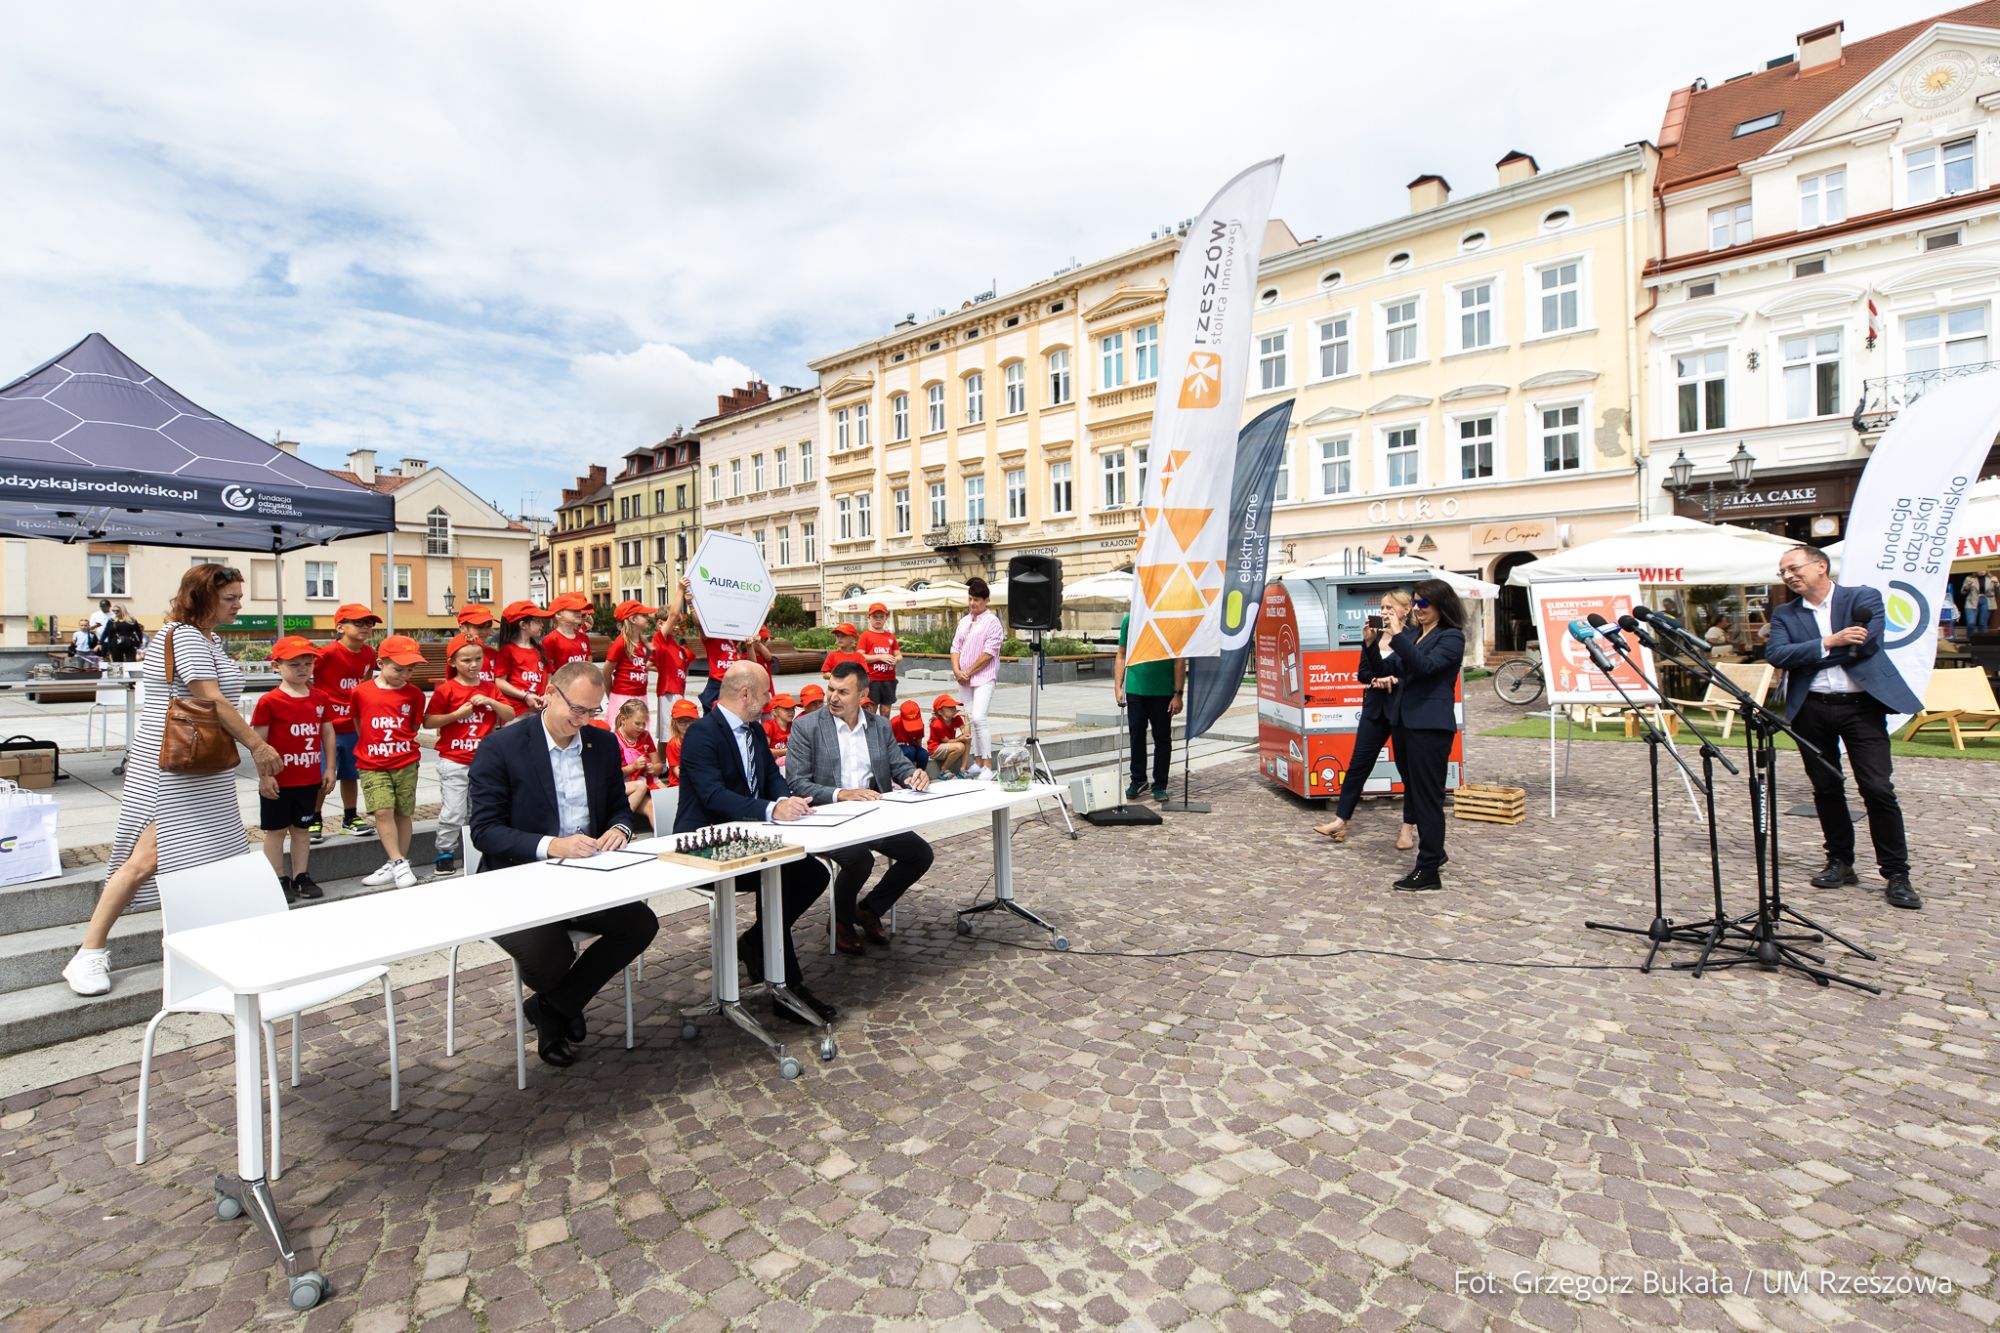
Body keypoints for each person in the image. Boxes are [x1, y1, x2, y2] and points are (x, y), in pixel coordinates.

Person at [62, 565, 282, 997]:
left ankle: (204, 942)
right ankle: (89, 951)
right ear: (202, 597)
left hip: (201, 765)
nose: (239, 603)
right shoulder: (182, 635)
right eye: (231, 597)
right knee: (147, 857)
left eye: (239, 596)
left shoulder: (209, 639)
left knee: (210, 853)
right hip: (171, 768)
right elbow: (211, 699)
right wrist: (257, 746)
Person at [468, 660, 656, 1067]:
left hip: (585, 876)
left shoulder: (600, 744)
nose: (582, 719)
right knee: (549, 956)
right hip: (517, 880)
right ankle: (560, 1010)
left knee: (641, 923)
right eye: (576, 709)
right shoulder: (502, 747)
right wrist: (553, 846)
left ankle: (552, 1008)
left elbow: (619, 810)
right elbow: (484, 832)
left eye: (592, 711)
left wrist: (621, 830)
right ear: (550, 694)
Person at [673, 661, 834, 1023]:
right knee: (780, 877)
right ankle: (787, 987)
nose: (768, 700)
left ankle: (757, 942)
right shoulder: (702, 733)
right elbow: (713, 796)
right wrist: (770, 809)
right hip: (705, 846)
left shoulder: (755, 731)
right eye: (764, 694)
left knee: (812, 873)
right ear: (745, 694)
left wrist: (785, 801)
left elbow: (771, 779)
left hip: (753, 839)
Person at [1768, 547, 1923, 910]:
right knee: (1826, 787)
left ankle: (1897, 873)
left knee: (1877, 787)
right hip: (1811, 709)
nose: (1788, 576)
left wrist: (1807, 654)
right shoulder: (1785, 613)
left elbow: (1867, 645)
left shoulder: (1861, 597)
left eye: (1793, 568)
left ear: (1820, 566)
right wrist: (1830, 642)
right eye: (1782, 572)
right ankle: (1841, 861)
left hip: (1861, 708)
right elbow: (1776, 655)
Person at [785, 661, 934, 954]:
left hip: (872, 815)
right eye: (831, 689)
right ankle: (841, 921)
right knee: (859, 859)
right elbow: (797, 783)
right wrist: (842, 794)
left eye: (843, 691)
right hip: (828, 817)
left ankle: (867, 909)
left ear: (863, 694)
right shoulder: (806, 726)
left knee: (919, 854)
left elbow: (898, 764)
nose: (833, 697)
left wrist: (913, 775)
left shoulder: (878, 725)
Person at [1314, 589, 1418, 850]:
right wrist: (1370, 650)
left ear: (1406, 610)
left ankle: (1407, 828)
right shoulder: (1374, 635)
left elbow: (1418, 671)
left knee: (1408, 769)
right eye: (1382, 608)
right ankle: (1341, 820)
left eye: (1390, 608)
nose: (1384, 612)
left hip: (1402, 708)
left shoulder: (1414, 637)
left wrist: (1396, 680)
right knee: (1359, 764)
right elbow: (1363, 673)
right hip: (1375, 708)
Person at [1384, 579, 1466, 893]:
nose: (1417, 609)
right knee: (1416, 794)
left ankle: (1429, 868)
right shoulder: (1416, 636)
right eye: (1415, 602)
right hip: (1405, 723)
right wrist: (1370, 642)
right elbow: (1384, 667)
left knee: (1428, 798)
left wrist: (1398, 636)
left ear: (1441, 605)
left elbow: (1426, 668)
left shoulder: (1451, 637)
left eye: (1423, 603)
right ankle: (1436, 851)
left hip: (1429, 727)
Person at [251, 637, 336, 902]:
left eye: (308, 663)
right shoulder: (269, 701)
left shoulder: (320, 698)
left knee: (302, 830)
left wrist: (330, 767)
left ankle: (301, 875)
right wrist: (265, 776)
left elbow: (328, 734)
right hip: (279, 780)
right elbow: (259, 741)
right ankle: (277, 877)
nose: (303, 668)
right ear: (277, 666)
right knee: (276, 831)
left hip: (308, 778)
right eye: (295, 664)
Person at [425, 637, 517, 877]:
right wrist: (456, 714)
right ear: (453, 662)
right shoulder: (446, 689)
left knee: (482, 809)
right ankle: (445, 852)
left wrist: (490, 701)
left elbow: (508, 713)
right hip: (454, 760)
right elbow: (429, 720)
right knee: (454, 811)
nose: (474, 664)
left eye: (478, 659)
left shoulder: (489, 687)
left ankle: (480, 850)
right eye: (466, 660)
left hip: (483, 762)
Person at [353, 635, 428, 889]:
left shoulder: (415, 695)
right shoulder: (361, 692)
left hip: (405, 760)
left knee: (402, 812)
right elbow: (359, 723)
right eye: (398, 669)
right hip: (372, 761)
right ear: (380, 663)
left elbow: (414, 726)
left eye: (410, 669)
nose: (405, 674)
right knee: (382, 810)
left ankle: (396, 862)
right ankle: (398, 863)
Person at [313, 603, 382, 840]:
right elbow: (304, 675)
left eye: (369, 623)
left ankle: (350, 816)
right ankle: (314, 818)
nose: (366, 627)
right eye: (359, 622)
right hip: (328, 726)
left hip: (352, 724)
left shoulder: (368, 653)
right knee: (323, 776)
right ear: (340, 627)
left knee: (351, 774)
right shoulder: (327, 653)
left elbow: (363, 682)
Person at [1114, 609, 1187, 802]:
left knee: (1162, 738)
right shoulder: (1130, 620)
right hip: (1136, 688)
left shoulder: (1172, 619)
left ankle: (1160, 784)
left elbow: (1179, 660)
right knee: (1136, 734)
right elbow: (1121, 654)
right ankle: (1138, 779)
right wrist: (1118, 686)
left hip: (1163, 691)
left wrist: (1178, 694)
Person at [950, 576, 1004, 779]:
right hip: (964, 679)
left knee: (980, 717)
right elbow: (955, 647)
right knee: (971, 720)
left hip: (984, 677)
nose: (973, 603)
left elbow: (989, 653)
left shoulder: (993, 622)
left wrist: (968, 672)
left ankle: (988, 765)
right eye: (971, 599)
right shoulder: (964, 621)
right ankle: (978, 761)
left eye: (977, 600)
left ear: (986, 600)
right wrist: (957, 670)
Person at [604, 600, 657, 724]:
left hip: (640, 695)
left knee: (639, 734)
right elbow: (606, 671)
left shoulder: (642, 642)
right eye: (643, 615)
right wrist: (612, 696)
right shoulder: (621, 642)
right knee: (623, 736)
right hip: (623, 696)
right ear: (633, 619)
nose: (647, 618)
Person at [650, 584, 693, 735]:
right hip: (668, 692)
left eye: (677, 624)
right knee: (670, 734)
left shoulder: (674, 644)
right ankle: (662, 760)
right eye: (674, 623)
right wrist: (680, 589)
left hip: (677, 691)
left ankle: (663, 759)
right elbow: (673, 614)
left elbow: (650, 664)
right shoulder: (661, 638)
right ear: (661, 624)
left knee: (670, 734)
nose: (676, 626)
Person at [610, 698, 663, 821]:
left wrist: (652, 769)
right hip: (623, 788)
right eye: (637, 723)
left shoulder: (645, 736)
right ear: (623, 720)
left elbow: (659, 766)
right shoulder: (613, 740)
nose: (641, 728)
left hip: (646, 782)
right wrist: (633, 767)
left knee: (663, 801)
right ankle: (621, 822)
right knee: (641, 786)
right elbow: (612, 776)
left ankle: (670, 837)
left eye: (644, 724)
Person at [497, 601, 551, 716]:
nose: (542, 625)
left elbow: (549, 675)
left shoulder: (540, 649)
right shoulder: (508, 650)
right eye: (537, 621)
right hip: (516, 712)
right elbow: (499, 681)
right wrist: (525, 696)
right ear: (523, 625)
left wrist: (547, 695)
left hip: (539, 710)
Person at [444, 603, 504, 691]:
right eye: (479, 627)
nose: (484, 631)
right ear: (463, 628)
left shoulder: (494, 654)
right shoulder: (458, 653)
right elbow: (450, 682)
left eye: (488, 626)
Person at [858, 603, 903, 710]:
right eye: (875, 617)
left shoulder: (890, 636)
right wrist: (880, 657)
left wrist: (895, 659)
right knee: (871, 709)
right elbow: (859, 657)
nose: (878, 620)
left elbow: (899, 655)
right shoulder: (865, 636)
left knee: (886, 710)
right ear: (869, 617)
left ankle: (884, 727)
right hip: (872, 679)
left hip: (889, 679)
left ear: (886, 618)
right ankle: (871, 727)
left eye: (881, 617)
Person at [541, 593, 596, 673]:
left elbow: (588, 664)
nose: (579, 613)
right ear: (558, 615)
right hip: (561, 684)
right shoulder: (550, 640)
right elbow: (547, 672)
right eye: (574, 610)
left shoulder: (584, 637)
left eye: (579, 610)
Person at [929, 694, 970, 776]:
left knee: (968, 739)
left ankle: (963, 769)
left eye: (954, 707)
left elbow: (967, 734)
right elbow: (946, 741)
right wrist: (961, 739)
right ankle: (943, 770)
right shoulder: (936, 724)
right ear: (940, 712)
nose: (954, 709)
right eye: (950, 707)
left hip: (949, 746)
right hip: (936, 749)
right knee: (960, 746)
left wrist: (966, 717)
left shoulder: (956, 718)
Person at [663, 697, 698, 786]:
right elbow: (677, 772)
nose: (687, 725)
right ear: (675, 723)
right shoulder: (674, 744)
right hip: (680, 785)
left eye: (691, 721)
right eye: (682, 722)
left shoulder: (701, 739)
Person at [99, 606, 144, 672]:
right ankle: (119, 679)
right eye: (113, 610)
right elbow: (106, 632)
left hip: (130, 643)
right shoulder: (111, 621)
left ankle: (131, 680)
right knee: (117, 662)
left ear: (122, 610)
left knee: (131, 661)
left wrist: (140, 641)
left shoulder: (131, 620)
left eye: (117, 610)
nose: (115, 612)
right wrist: (101, 642)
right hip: (115, 643)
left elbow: (138, 631)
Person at [891, 699, 929, 771]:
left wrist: (919, 753)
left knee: (923, 754)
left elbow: (918, 742)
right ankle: (908, 775)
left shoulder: (920, 725)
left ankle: (920, 774)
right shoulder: (894, 723)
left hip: (911, 747)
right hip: (897, 748)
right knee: (910, 751)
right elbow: (887, 742)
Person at [1961, 570, 1996, 637]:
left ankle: (1982, 642)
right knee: (1971, 623)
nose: (1981, 571)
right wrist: (1967, 585)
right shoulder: (1969, 578)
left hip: (1986, 600)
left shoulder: (1992, 578)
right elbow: (1963, 592)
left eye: (1983, 569)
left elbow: (1998, 591)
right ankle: (1970, 641)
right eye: (1979, 569)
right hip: (1972, 601)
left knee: (1983, 623)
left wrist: (1997, 583)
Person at [765, 692, 797, 762]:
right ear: (774, 712)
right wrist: (787, 751)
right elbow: (764, 751)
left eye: (793, 708)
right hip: (772, 765)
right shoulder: (768, 726)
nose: (791, 711)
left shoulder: (794, 726)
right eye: (787, 709)